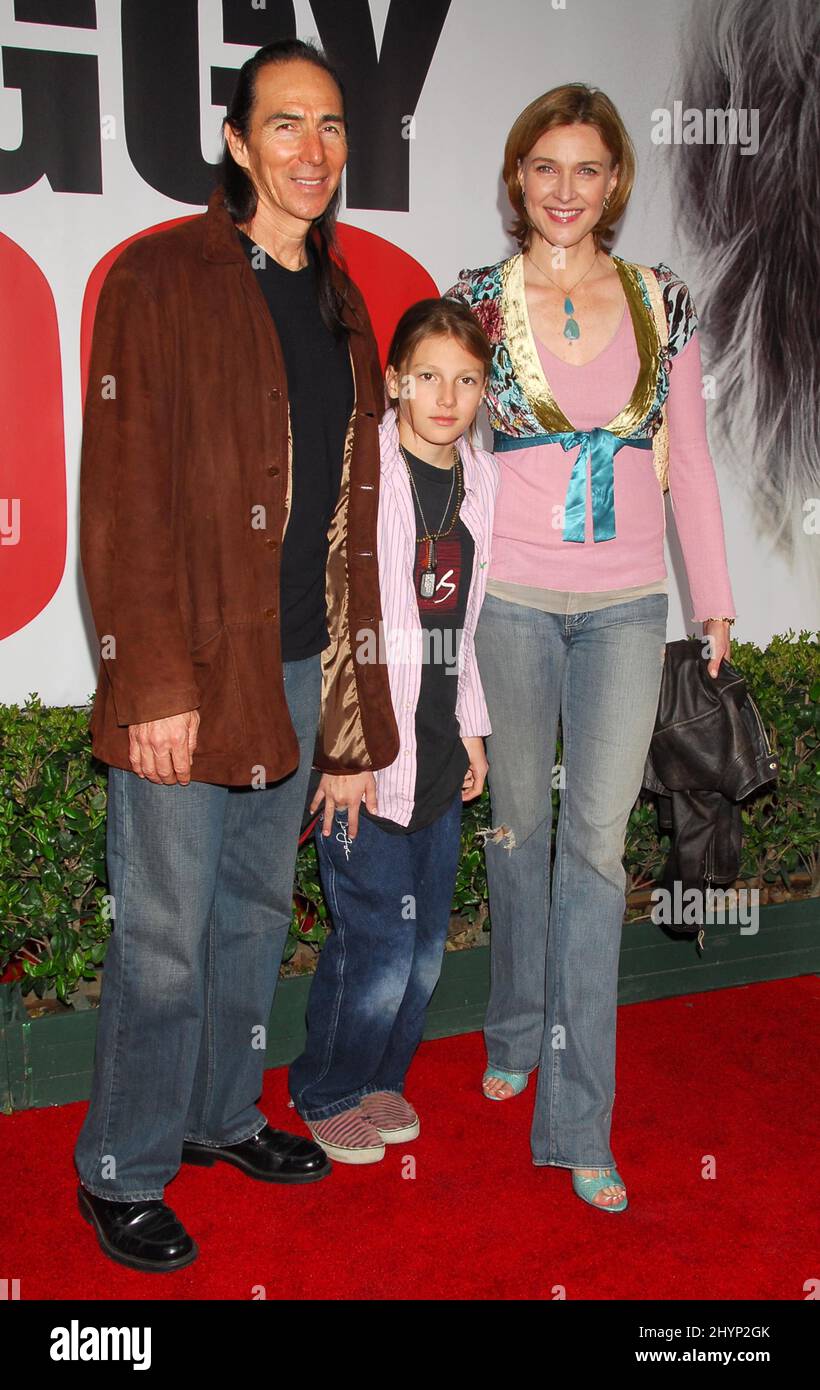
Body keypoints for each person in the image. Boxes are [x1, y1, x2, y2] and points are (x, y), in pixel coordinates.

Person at [75, 38, 399, 1271]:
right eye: (285, 126)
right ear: (236, 141)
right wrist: (149, 682)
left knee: (256, 914)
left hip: (299, 663)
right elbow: (122, 498)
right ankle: (122, 1167)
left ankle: (217, 1115)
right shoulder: (159, 278)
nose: (312, 152)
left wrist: (350, 713)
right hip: (190, 670)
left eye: (329, 129)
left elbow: (352, 516)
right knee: (161, 932)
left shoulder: (340, 296)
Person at [445, 83, 736, 1212]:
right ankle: (514, 1015)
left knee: (596, 853)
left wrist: (709, 598)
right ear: (517, 178)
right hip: (509, 600)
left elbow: (695, 462)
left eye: (587, 168)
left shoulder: (660, 297)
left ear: (615, 181)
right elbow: (432, 446)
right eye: (544, 167)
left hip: (625, 608)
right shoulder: (471, 302)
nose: (564, 188)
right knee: (516, 831)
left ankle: (578, 1120)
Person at [288, 299, 499, 1163]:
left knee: (421, 950)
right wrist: (339, 754)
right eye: (427, 377)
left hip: (442, 753)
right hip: (367, 753)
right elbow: (332, 622)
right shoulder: (359, 469)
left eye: (467, 380)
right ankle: (327, 1088)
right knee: (371, 938)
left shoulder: (483, 480)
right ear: (394, 382)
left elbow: (468, 625)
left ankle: (381, 1079)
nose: (446, 397)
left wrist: (476, 731)